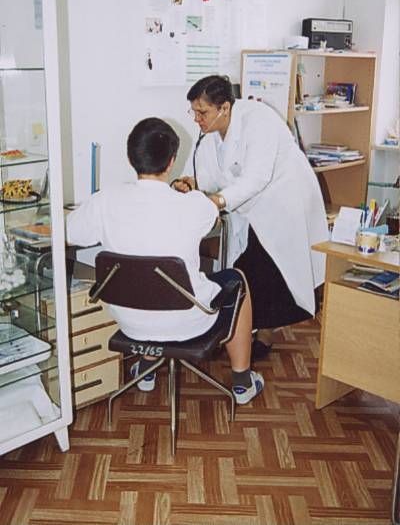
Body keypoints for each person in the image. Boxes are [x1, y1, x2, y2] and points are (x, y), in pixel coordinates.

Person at [66, 117, 264, 405]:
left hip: (129, 321)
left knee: (146, 281)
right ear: (171, 162)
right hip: (188, 321)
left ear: (130, 158)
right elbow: (212, 215)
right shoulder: (192, 205)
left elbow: (71, 233)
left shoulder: (103, 201)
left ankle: (145, 369)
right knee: (237, 279)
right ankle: (243, 382)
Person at [172, 75, 329, 359]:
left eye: (202, 112)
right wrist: (190, 183)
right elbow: (209, 174)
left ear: (224, 108)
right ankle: (243, 334)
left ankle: (262, 333)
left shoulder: (258, 120)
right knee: (248, 269)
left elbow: (256, 178)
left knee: (267, 268)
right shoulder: (209, 134)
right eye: (193, 112)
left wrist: (218, 200)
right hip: (250, 208)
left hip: (284, 202)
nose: (197, 119)